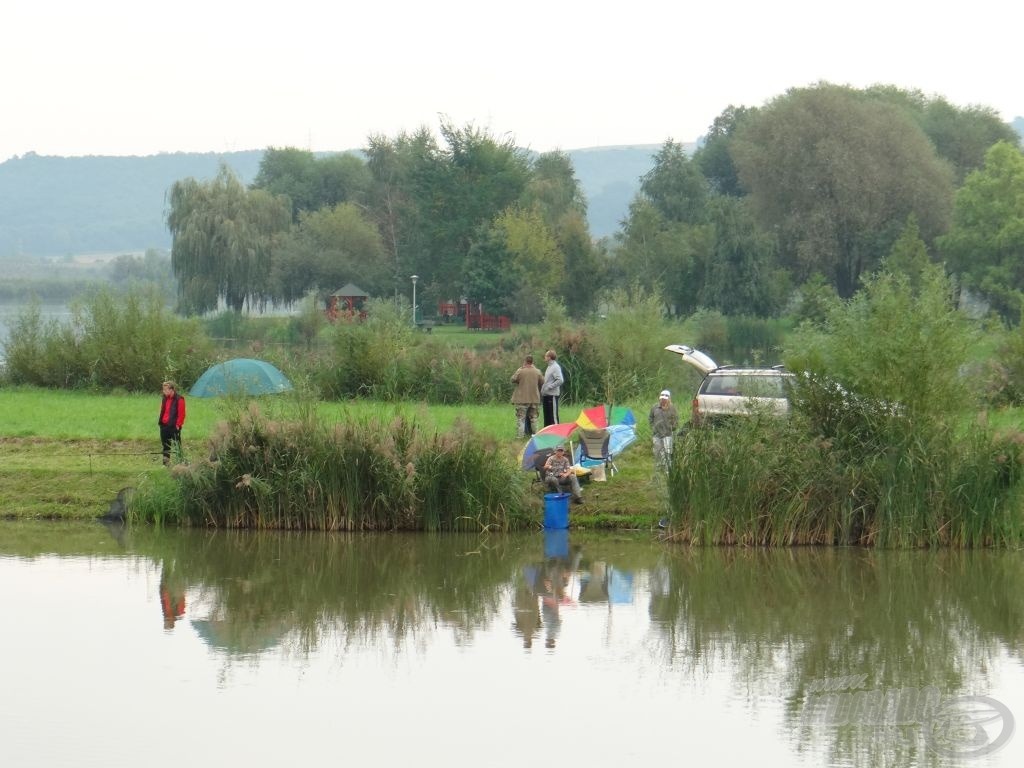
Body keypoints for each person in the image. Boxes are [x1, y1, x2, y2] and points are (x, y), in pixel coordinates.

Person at [510, 354, 544, 437]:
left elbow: (513, 379)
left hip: (522, 398)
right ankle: (535, 435)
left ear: (525, 361)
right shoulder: (537, 371)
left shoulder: (520, 370)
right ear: (532, 362)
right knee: (534, 418)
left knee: (521, 418)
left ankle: (520, 436)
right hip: (534, 399)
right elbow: (542, 382)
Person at [158, 380, 186, 466]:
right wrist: (161, 423)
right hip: (164, 426)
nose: (164, 391)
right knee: (166, 446)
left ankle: (181, 463)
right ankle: (166, 464)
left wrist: (178, 425)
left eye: (166, 390)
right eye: (163, 390)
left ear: (172, 390)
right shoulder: (164, 398)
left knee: (177, 446)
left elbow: (182, 414)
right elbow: (163, 410)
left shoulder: (179, 399)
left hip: (174, 427)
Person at [649, 389, 679, 470]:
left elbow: (676, 420)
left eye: (665, 399)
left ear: (669, 399)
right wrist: (653, 426)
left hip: (668, 434)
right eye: (662, 399)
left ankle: (667, 469)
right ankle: (659, 467)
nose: (663, 400)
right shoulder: (654, 407)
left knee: (667, 452)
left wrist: (673, 427)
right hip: (656, 434)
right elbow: (651, 417)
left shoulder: (672, 408)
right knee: (657, 451)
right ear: (660, 398)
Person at [541, 349, 564, 427]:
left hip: (552, 395)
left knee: (553, 417)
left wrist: (550, 387)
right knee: (547, 417)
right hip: (546, 395)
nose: (544, 357)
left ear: (549, 357)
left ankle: (557, 433)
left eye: (546, 355)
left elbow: (560, 380)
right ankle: (547, 434)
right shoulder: (549, 367)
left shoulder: (555, 367)